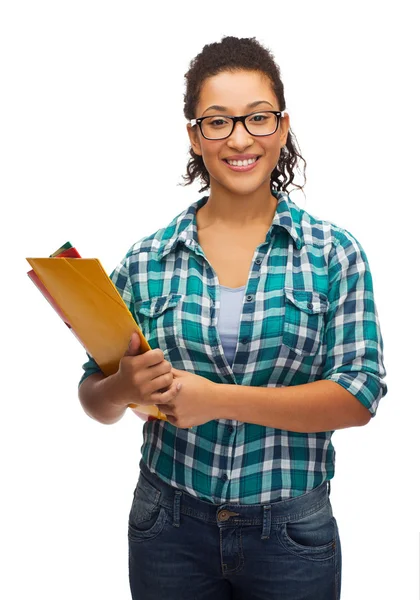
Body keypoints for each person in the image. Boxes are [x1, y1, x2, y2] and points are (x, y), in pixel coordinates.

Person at [78, 36, 387, 600]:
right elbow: (93, 396)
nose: (240, 138)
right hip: (165, 525)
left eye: (258, 118)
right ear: (195, 136)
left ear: (283, 127)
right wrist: (123, 385)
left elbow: (359, 395)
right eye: (218, 122)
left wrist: (217, 399)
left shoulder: (333, 254)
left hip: (290, 533)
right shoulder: (147, 260)